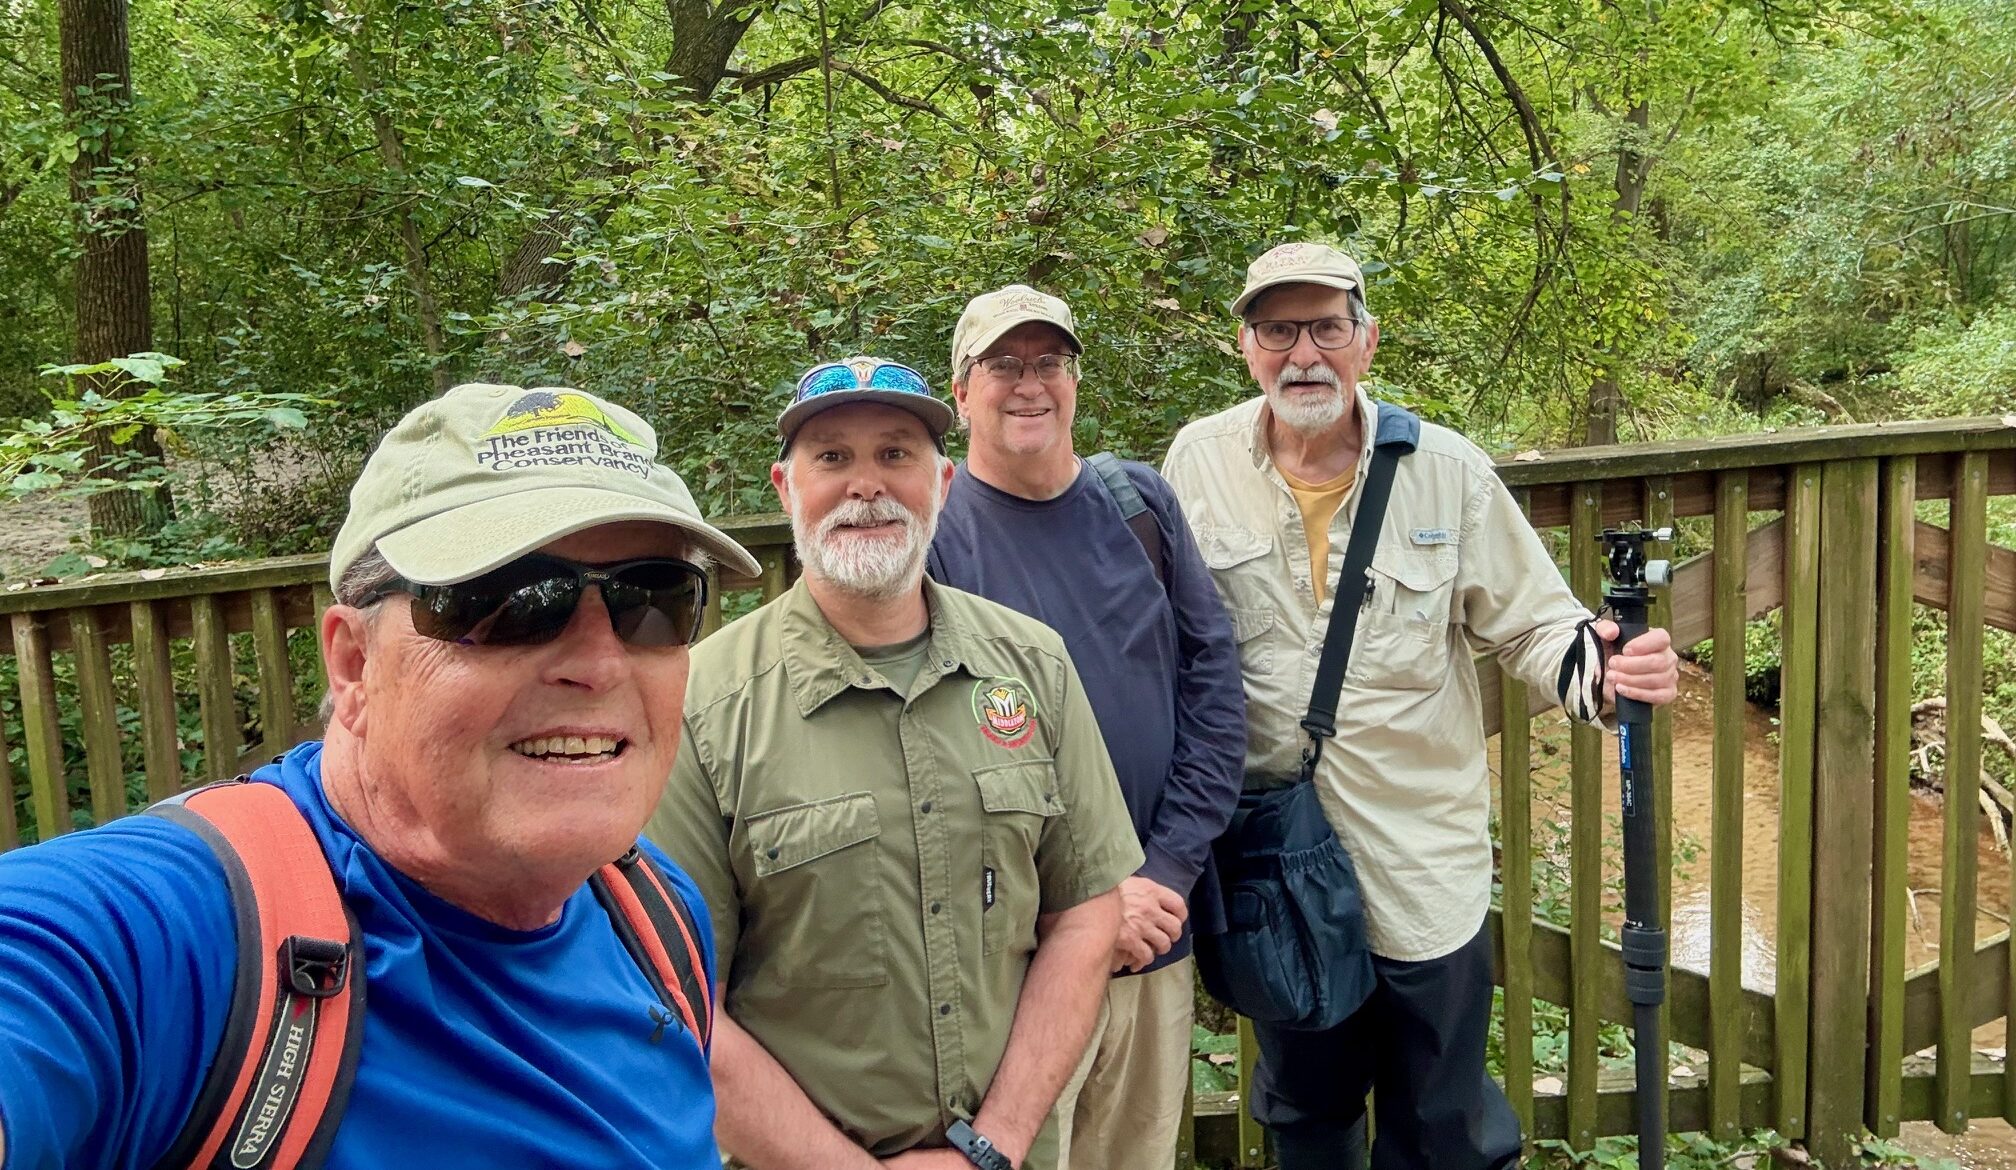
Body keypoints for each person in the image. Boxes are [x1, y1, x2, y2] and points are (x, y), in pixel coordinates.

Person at [0, 382, 758, 1169]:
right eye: (509, 602)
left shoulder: (656, 916)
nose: (599, 665)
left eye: (653, 601)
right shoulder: (168, 941)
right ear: (354, 663)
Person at [1162, 243, 1682, 1170]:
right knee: (1305, 1119)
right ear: (1246, 347)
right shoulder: (1196, 463)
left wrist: (1602, 672)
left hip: (1421, 868)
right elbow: (1162, 640)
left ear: (1366, 340)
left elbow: (1534, 625)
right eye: (1278, 330)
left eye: (1327, 327)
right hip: (1278, 874)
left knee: (1442, 1130)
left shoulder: (1447, 470)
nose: (1304, 353)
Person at [645, 356, 1143, 1170]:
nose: (866, 485)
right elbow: (684, 1001)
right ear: (786, 487)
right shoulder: (701, 704)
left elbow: (1085, 916)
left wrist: (995, 1145)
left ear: (942, 481)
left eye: (895, 454)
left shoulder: (1034, 666)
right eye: (832, 457)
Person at [927, 285, 1245, 1170]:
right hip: (1016, 959)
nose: (1029, 383)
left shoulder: (1137, 503)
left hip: (1154, 930)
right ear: (962, 392)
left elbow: (1215, 692)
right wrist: (1090, 909)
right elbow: (931, 758)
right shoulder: (937, 539)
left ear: (1073, 380)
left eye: (1049, 362)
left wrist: (1166, 871)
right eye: (1003, 364)